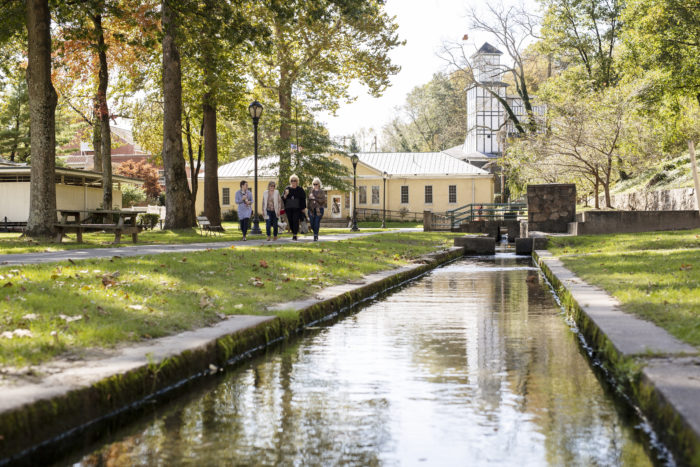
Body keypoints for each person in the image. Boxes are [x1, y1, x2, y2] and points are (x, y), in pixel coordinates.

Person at [281, 174, 306, 240]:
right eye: (292, 180)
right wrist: (286, 195)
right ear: (290, 181)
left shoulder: (300, 189)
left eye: (295, 180)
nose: (293, 182)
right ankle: (293, 232)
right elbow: (283, 198)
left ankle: (295, 234)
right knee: (290, 221)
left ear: (297, 181)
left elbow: (303, 198)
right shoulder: (287, 188)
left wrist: (303, 208)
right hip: (289, 208)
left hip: (297, 209)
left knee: (295, 221)